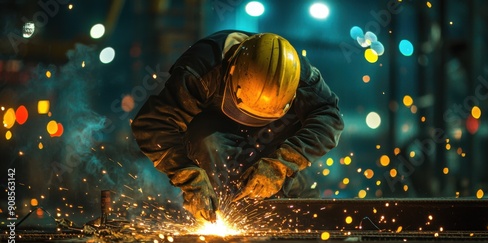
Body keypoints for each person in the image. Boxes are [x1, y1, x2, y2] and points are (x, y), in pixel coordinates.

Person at [131, 30, 344, 223]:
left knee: (288, 205)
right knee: (210, 146)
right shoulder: (201, 69)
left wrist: (282, 163)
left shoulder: (299, 76)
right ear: (231, 72)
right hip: (211, 133)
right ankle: (216, 215)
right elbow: (152, 125)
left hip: (273, 136)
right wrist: (189, 177)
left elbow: (330, 118)